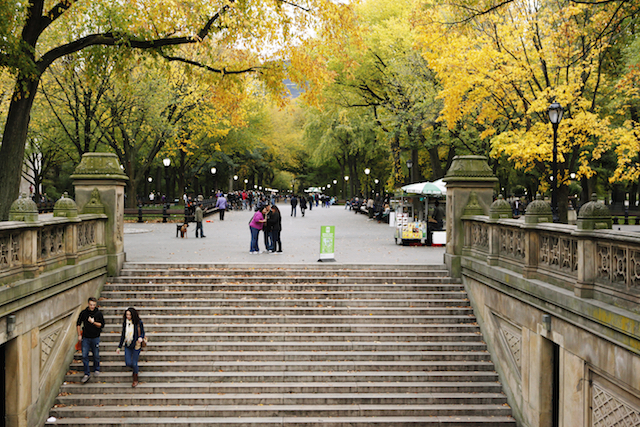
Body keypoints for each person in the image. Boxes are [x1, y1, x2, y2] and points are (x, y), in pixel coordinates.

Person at [76, 297, 105, 383]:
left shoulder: (98, 313)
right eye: (91, 305)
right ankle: (86, 373)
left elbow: (101, 325)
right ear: (88, 304)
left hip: (95, 337)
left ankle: (96, 369)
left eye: (94, 305)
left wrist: (93, 322)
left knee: (95, 354)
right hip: (85, 337)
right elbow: (78, 323)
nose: (92, 306)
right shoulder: (84, 313)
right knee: (84, 355)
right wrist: (79, 335)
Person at [116, 307, 146, 388]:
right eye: (127, 315)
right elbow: (123, 335)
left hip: (136, 344)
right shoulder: (125, 323)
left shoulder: (139, 322)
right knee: (128, 363)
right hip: (128, 344)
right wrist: (119, 347)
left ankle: (135, 379)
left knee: (134, 362)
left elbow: (143, 333)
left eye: (129, 315)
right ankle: (135, 370)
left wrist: (141, 337)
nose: (128, 316)